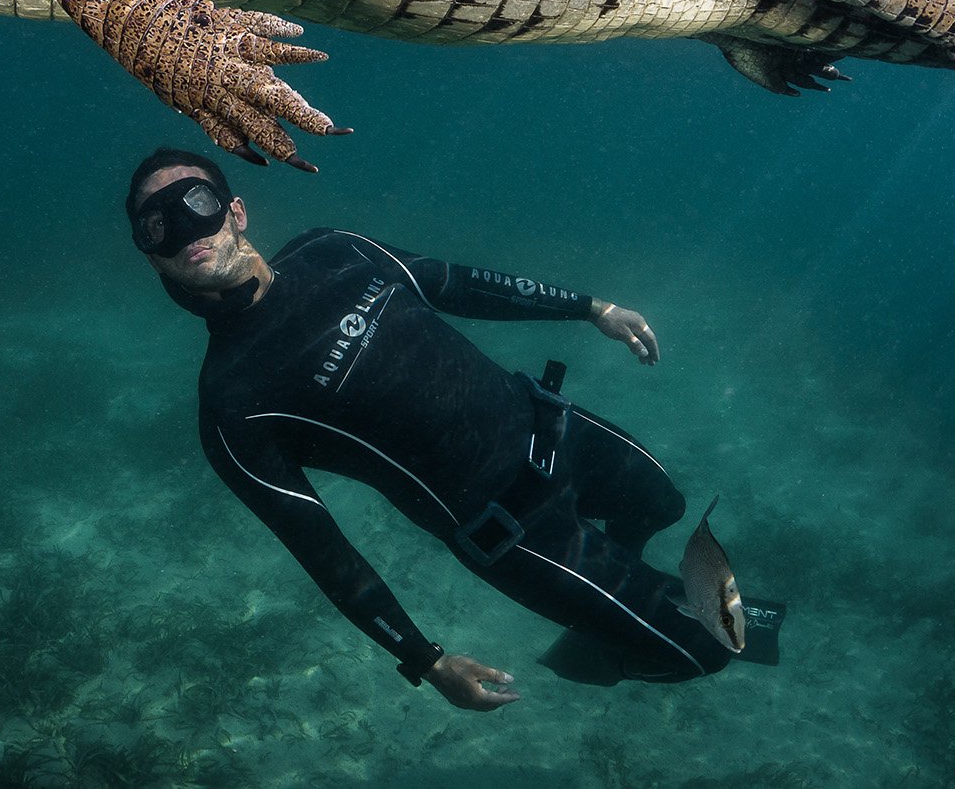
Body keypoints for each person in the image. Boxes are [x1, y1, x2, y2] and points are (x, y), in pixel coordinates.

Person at [127, 146, 775, 710]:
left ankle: (610, 604)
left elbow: (458, 282)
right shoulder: (232, 400)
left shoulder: (334, 250)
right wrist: (425, 659)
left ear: (236, 210)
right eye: (158, 225)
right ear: (154, 261)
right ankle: (622, 638)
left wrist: (588, 307)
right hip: (519, 530)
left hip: (551, 424)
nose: (185, 227)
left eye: (196, 201)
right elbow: (323, 549)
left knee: (665, 502)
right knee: (711, 648)